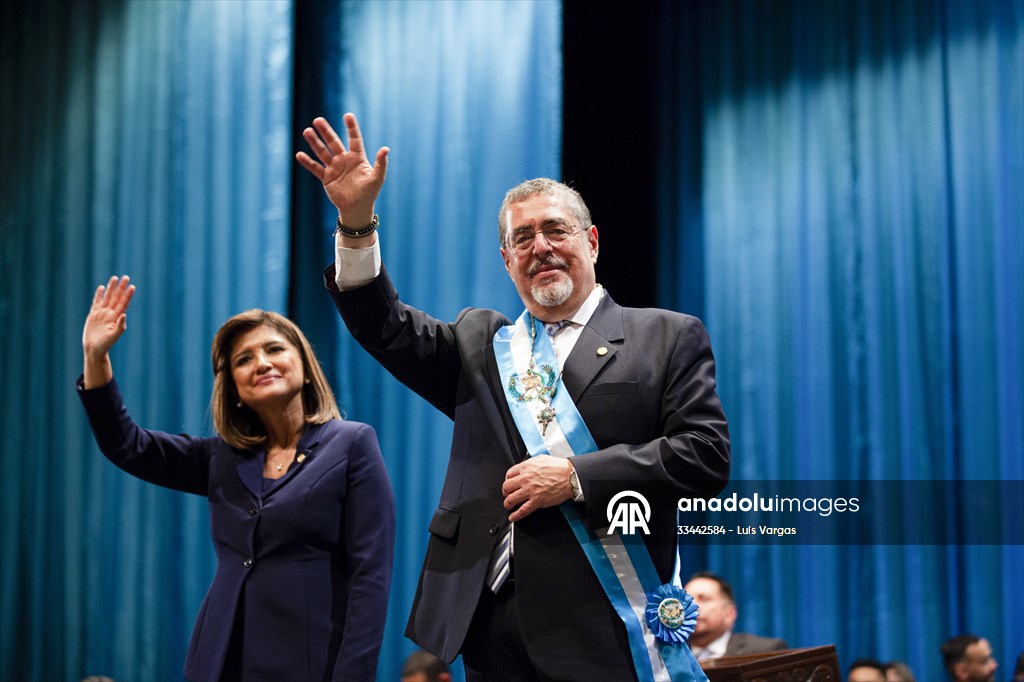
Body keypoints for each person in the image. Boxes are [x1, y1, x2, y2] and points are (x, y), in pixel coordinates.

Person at [297, 113, 731, 681]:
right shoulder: (481, 344)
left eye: (556, 230)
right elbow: (383, 325)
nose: (540, 247)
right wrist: (356, 224)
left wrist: (576, 476)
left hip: (601, 622)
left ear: (592, 241)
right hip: (485, 621)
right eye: (522, 238)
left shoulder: (666, 335)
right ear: (507, 260)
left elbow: (704, 455)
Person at [77, 276, 395, 681]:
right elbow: (128, 446)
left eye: (274, 349)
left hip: (309, 663)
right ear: (236, 390)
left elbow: (371, 577)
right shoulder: (223, 459)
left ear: (305, 366)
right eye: (244, 359)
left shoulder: (351, 445)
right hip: (220, 660)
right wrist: (95, 357)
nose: (261, 362)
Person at [683, 572, 787, 658]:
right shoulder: (670, 657)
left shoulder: (765, 652)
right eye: (685, 600)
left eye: (704, 599)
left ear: (729, 614)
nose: (691, 606)